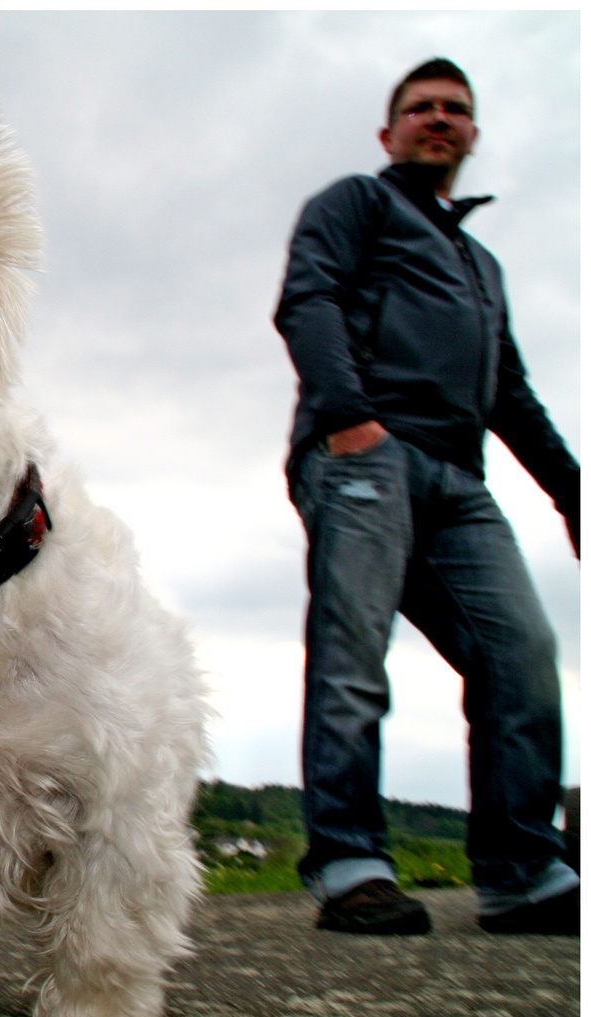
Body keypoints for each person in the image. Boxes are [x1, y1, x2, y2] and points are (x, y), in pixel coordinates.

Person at [275, 58, 580, 935]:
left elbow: (511, 391)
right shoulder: (357, 204)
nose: (438, 119)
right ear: (390, 132)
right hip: (365, 456)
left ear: (474, 134)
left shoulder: (481, 264)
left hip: (461, 481)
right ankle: (349, 864)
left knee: (521, 653)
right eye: (421, 109)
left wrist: (571, 492)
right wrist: (349, 420)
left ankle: (523, 873)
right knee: (353, 659)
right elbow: (309, 297)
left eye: (455, 110)